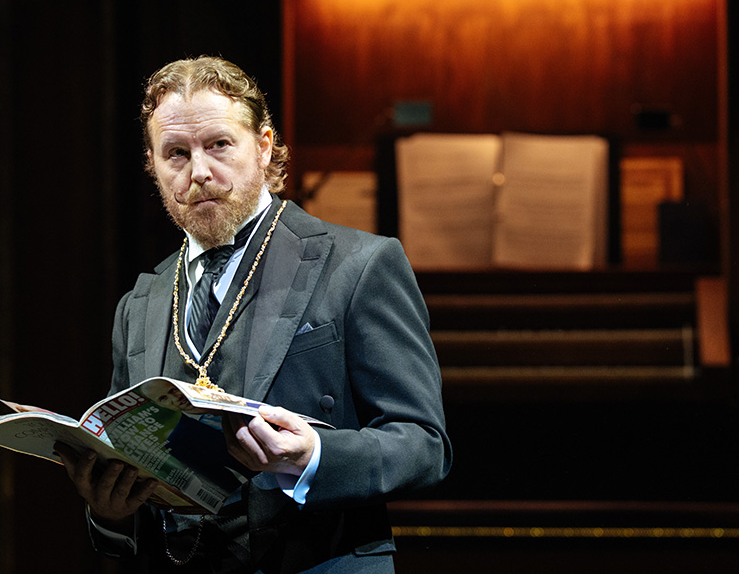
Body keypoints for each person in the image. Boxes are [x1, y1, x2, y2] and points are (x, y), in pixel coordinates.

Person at [55, 56, 451, 573]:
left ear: (264, 146)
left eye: (219, 144)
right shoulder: (141, 302)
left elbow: (424, 445)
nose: (199, 172)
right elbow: (130, 470)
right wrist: (111, 512)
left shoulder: (360, 265)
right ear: (153, 165)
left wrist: (313, 457)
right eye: (176, 153)